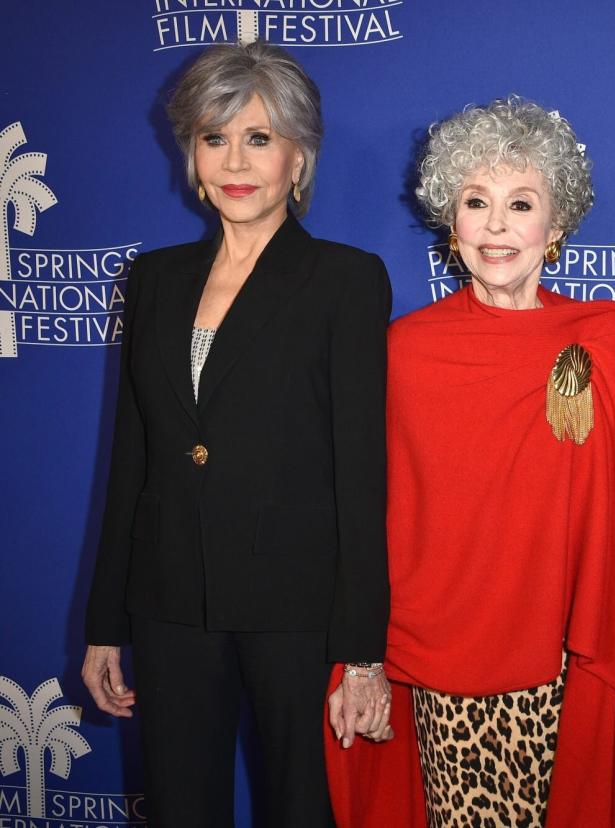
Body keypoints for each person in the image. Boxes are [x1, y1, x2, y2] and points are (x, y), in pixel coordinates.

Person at [324, 97, 615, 828]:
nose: (496, 225)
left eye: (520, 203)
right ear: (450, 222)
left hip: (565, 654)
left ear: (555, 228)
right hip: (437, 654)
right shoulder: (403, 349)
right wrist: (362, 659)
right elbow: (370, 511)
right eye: (475, 202)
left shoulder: (603, 336)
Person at [80, 41, 392, 827]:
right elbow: (133, 459)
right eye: (214, 138)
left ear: (299, 155)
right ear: (190, 152)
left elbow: (361, 473)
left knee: (301, 809)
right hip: (169, 601)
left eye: (259, 137)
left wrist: (363, 651)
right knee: (181, 807)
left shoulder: (346, 281)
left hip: (297, 607)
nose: (234, 160)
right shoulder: (152, 280)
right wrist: (105, 623)